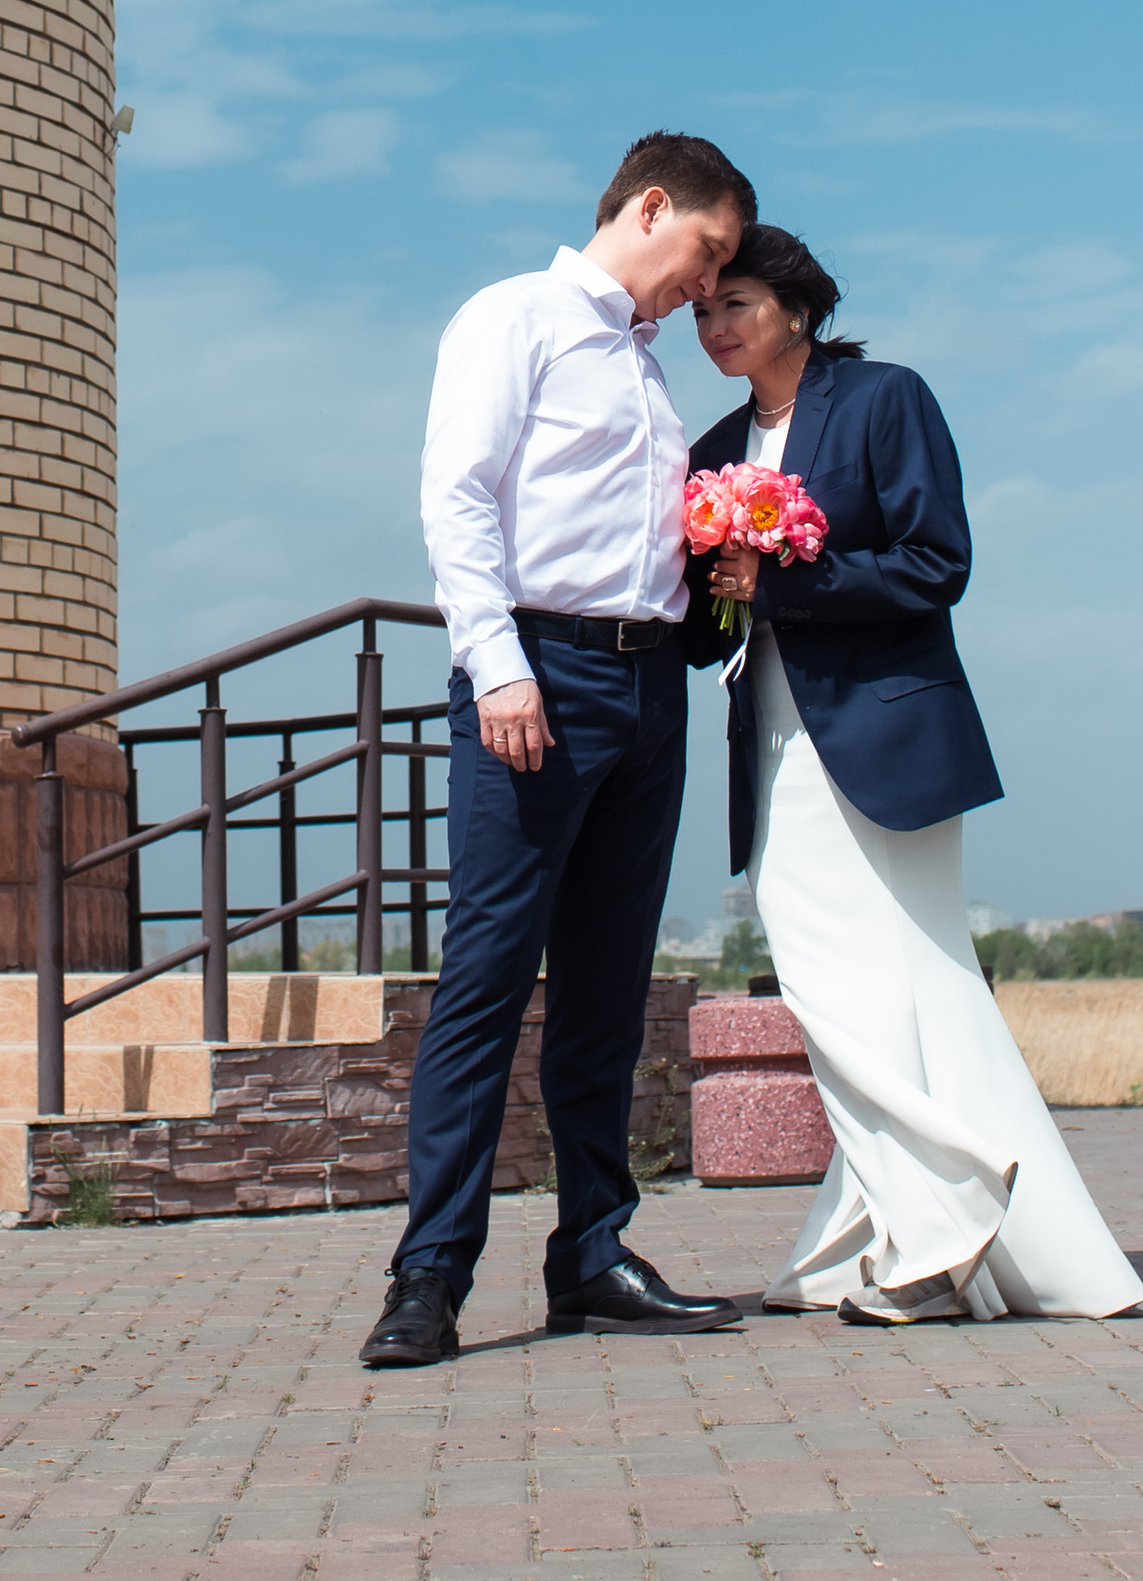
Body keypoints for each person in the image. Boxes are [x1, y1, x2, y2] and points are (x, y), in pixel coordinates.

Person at [689, 224, 1143, 1324]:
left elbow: (937, 564)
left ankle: (943, 1220)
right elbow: (711, 631)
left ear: (798, 307)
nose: (713, 327)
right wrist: (715, 582)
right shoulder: (712, 444)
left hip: (889, 734)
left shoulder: (885, 397)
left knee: (918, 978)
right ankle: (909, 1226)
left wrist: (787, 576)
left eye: (735, 302)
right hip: (780, 742)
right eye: (701, 310)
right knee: (837, 983)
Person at [358, 133, 760, 1370]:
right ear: (650, 206)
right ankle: (429, 1275)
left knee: (605, 993)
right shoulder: (515, 316)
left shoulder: (645, 378)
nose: (706, 288)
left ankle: (592, 1251)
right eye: (707, 254)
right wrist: (499, 665)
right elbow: (457, 495)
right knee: (484, 982)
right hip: (539, 678)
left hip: (648, 693)